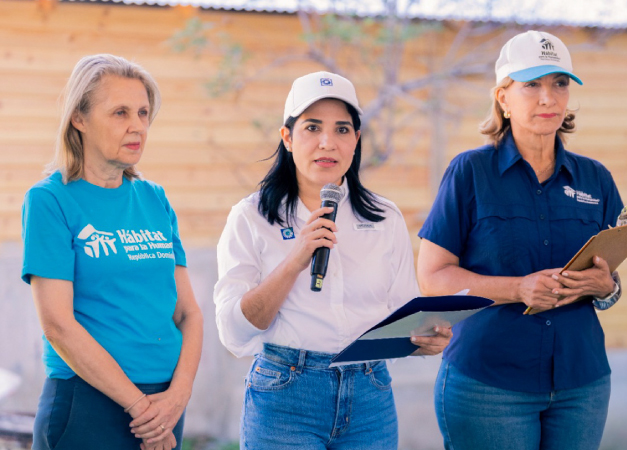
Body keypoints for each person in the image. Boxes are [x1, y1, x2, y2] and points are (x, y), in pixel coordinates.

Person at [213, 71, 452, 450]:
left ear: (356, 141)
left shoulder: (385, 217)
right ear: (288, 138)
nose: (328, 142)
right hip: (285, 396)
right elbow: (234, 332)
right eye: (312, 128)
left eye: (342, 130)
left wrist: (423, 340)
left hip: (370, 394)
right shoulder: (251, 217)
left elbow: (402, 314)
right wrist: (295, 260)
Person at [417, 31, 624, 450]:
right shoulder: (470, 173)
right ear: (503, 98)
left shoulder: (596, 179)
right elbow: (433, 279)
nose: (548, 98)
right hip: (490, 386)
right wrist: (517, 288)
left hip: (580, 384)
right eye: (531, 85)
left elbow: (608, 279)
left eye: (559, 83)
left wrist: (608, 288)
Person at [21, 54, 203, 450]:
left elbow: (188, 313)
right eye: (120, 112)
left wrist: (178, 396)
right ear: (79, 119)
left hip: (164, 404)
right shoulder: (50, 200)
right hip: (88, 404)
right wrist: (141, 409)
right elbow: (58, 325)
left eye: (143, 112)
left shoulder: (155, 199)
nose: (137, 126)